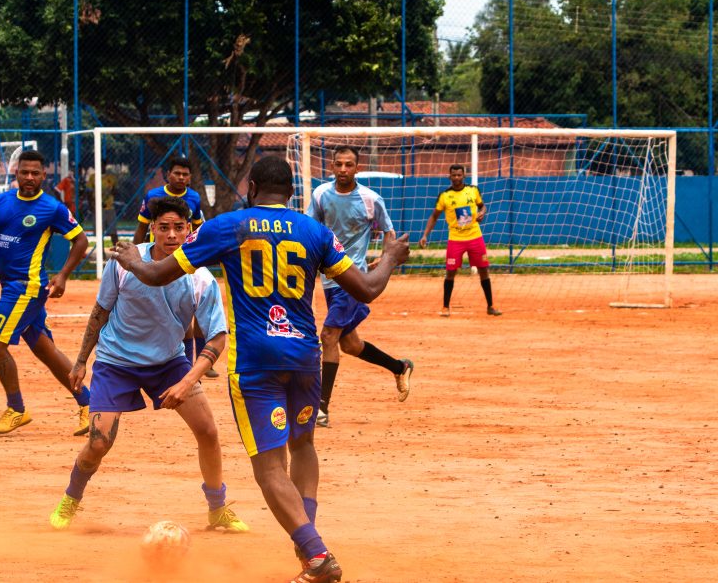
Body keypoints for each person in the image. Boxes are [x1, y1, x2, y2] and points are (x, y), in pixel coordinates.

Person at [113, 156, 410, 583]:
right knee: (303, 445)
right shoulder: (315, 231)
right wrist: (391, 257)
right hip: (305, 358)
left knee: (269, 467)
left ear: (251, 187)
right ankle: (304, 537)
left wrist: (131, 260)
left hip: (257, 363)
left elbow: (159, 274)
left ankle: (315, 555)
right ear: (291, 191)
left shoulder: (228, 226)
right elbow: (368, 288)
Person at [48, 196, 249, 534]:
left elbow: (217, 338)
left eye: (179, 228)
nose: (171, 235)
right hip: (115, 362)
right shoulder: (125, 262)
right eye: (164, 227)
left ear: (190, 230)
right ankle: (71, 497)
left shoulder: (200, 278)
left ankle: (217, 508)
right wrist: (82, 360)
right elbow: (101, 311)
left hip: (168, 362)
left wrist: (187, 381)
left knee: (209, 431)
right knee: (99, 442)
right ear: (152, 229)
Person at [0, 149, 92, 435]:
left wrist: (63, 275)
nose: (30, 177)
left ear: (44, 176)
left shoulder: (52, 208)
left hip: (26, 288)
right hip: (11, 286)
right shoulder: (2, 201)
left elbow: (81, 241)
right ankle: (89, 403)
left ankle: (16, 409)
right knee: (45, 350)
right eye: (25, 172)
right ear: (16, 173)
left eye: (36, 173)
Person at [306, 146, 414, 428]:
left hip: (353, 277)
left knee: (328, 336)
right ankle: (399, 367)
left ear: (358, 168)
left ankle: (321, 408)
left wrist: (385, 257)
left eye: (349, 164)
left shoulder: (370, 199)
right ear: (331, 166)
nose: (343, 169)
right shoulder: (320, 195)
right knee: (350, 344)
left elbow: (389, 233)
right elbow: (310, 230)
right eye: (339, 164)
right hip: (329, 280)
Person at [132, 156, 216, 378]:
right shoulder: (153, 196)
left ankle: (199, 361)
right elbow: (141, 228)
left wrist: (202, 255)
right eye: (177, 173)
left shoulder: (194, 198)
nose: (181, 177)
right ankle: (178, 361)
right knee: (173, 311)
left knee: (195, 307)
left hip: (185, 257)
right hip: (158, 259)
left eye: (185, 174)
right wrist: (133, 258)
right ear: (167, 174)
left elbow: (199, 230)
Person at [419, 163, 502, 317]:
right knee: (450, 272)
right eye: (453, 175)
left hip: (475, 237)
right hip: (455, 239)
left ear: (464, 175)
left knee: (484, 270)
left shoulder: (473, 191)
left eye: (459, 175)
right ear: (449, 176)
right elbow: (434, 216)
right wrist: (425, 235)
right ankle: (445, 307)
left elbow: (483, 207)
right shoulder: (444, 196)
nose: (456, 178)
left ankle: (491, 306)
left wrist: (482, 213)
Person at [85, 164, 119, 246]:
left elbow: (116, 191)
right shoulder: (93, 177)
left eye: (103, 165)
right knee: (99, 233)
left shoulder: (111, 178)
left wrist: (110, 191)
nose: (101, 167)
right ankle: (101, 253)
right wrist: (92, 205)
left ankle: (118, 252)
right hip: (97, 208)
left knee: (113, 232)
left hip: (109, 207)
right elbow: (89, 193)